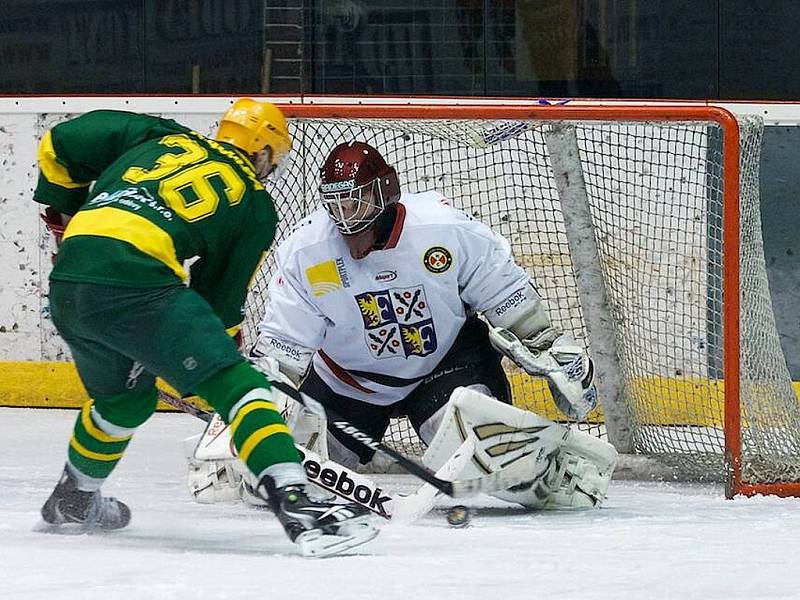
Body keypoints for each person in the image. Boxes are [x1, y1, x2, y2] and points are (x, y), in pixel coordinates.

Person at [34, 100, 378, 557]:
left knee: (123, 402)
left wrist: (63, 215)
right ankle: (298, 503)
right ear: (263, 154)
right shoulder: (254, 204)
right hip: (137, 281)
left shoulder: (161, 137)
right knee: (245, 390)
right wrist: (219, 362)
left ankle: (73, 500)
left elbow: (61, 142)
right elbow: (219, 303)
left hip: (70, 279)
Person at [245, 141, 616, 510]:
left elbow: (501, 287)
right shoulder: (307, 250)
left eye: (355, 202)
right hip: (349, 380)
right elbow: (283, 344)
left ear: (385, 191)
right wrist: (260, 395)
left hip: (443, 365)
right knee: (287, 473)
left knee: (474, 444)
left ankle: (550, 472)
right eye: (336, 204)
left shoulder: (441, 228)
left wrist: (541, 341)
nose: (345, 216)